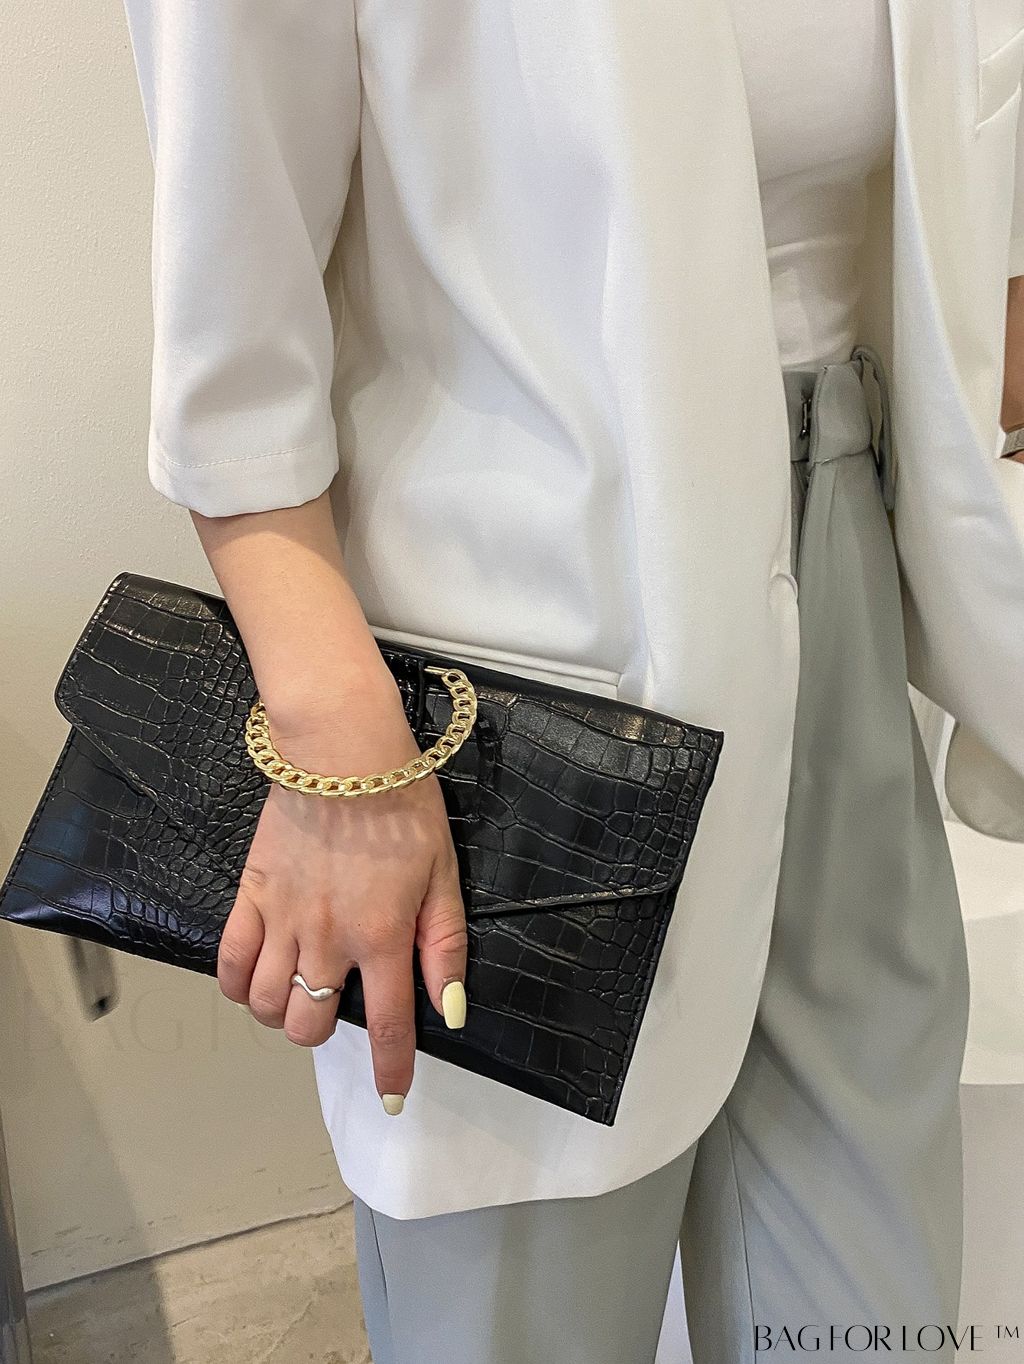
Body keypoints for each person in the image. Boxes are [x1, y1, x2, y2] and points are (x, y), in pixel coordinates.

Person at [119, 0, 1024, 1359]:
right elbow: (233, 330)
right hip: (508, 709)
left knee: (871, 1297)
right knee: (520, 1313)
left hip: (847, 587)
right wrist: (336, 742)